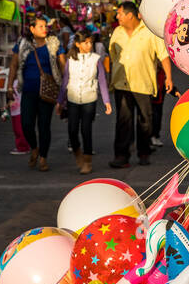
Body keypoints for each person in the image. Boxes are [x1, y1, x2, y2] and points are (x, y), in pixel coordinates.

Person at [107, 1, 172, 169]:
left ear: (130, 15)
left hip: (143, 84)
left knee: (145, 120)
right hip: (122, 84)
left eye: (120, 13)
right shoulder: (117, 32)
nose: (117, 16)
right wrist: (109, 79)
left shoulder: (149, 31)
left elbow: (163, 56)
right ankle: (121, 156)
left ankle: (144, 153)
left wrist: (169, 78)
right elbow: (112, 56)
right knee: (123, 121)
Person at [8, 14, 64, 172]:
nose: (44, 29)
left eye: (45, 26)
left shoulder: (53, 43)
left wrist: (65, 88)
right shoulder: (23, 44)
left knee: (44, 125)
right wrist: (9, 87)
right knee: (26, 124)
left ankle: (43, 158)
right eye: (40, 26)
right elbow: (13, 65)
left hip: (48, 92)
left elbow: (62, 65)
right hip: (28, 91)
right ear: (32, 29)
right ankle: (34, 147)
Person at [61, 30, 111, 174]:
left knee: (86, 129)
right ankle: (78, 154)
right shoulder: (70, 61)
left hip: (90, 99)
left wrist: (106, 101)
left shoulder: (95, 59)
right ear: (78, 44)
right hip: (72, 99)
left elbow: (101, 80)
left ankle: (87, 161)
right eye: (86, 42)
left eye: (90, 42)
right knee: (72, 130)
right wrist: (60, 101)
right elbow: (65, 81)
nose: (89, 45)